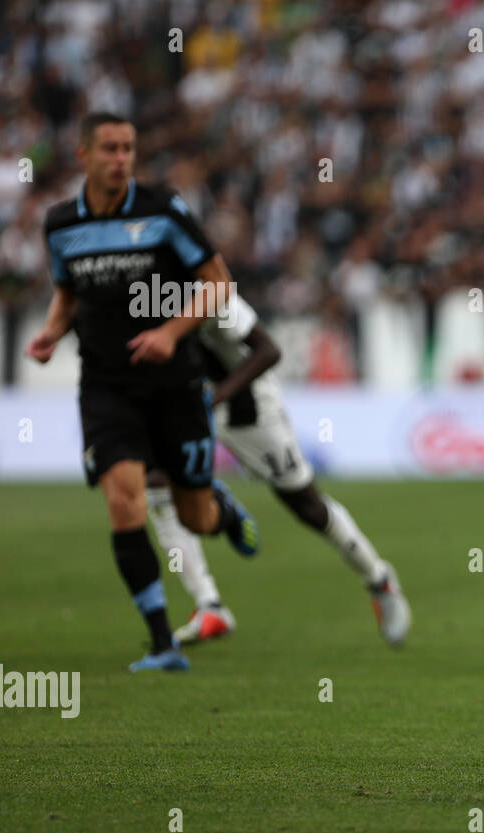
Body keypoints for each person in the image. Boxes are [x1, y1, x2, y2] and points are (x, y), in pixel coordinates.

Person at [27, 112, 259, 673]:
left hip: (175, 386)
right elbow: (69, 293)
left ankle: (222, 511)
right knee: (124, 499)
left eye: (128, 148)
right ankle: (161, 641)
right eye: (109, 148)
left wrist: (170, 331)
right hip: (106, 388)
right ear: (83, 155)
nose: (120, 158)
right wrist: (52, 333)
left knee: (194, 515)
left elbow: (219, 283)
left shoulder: (162, 211)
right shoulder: (60, 224)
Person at [146, 293, 411, 648]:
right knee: (157, 483)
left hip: (247, 407)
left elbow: (268, 351)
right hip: (185, 402)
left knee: (306, 505)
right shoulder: (142, 293)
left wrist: (217, 396)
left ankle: (379, 579)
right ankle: (209, 605)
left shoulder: (209, 294)